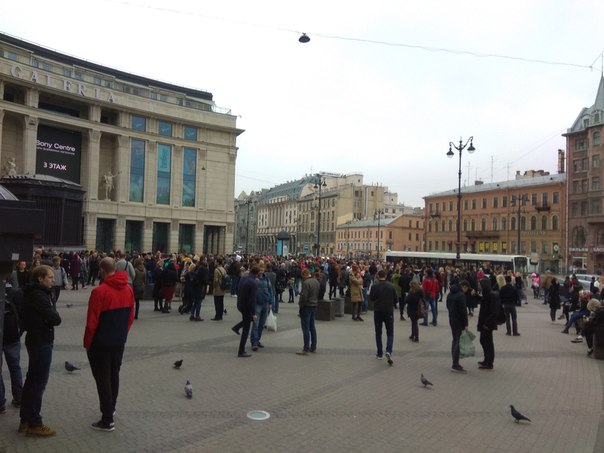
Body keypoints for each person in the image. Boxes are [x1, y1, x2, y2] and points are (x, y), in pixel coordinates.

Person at [84, 257, 135, 432]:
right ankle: (111, 409)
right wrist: (122, 334)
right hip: (118, 341)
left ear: (102, 271)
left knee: (103, 379)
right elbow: (130, 317)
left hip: (101, 343)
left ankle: (107, 420)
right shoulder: (128, 289)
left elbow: (92, 322)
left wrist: (87, 343)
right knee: (114, 374)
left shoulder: (99, 292)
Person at [19, 265, 61, 437]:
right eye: (50, 277)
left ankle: (25, 419)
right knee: (38, 383)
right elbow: (56, 318)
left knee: (32, 380)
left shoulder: (38, 293)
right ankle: (35, 423)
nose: (53, 280)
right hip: (41, 340)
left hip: (37, 339)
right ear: (40, 278)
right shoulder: (39, 295)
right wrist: (50, 317)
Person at [1, 283, 24, 414]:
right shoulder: (16, 292)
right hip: (12, 336)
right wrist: (19, 331)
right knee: (15, 367)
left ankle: (0, 403)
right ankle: (19, 397)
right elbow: (22, 315)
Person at [370, 270, 397, 363]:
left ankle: (379, 353)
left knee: (378, 332)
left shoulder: (374, 286)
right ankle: (389, 350)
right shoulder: (391, 286)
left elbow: (371, 298)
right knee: (390, 332)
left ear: (378, 276)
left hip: (378, 311)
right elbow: (396, 299)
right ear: (385, 276)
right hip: (388, 311)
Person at [232, 266, 259, 357]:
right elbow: (252, 299)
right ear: (257, 274)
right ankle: (241, 351)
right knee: (246, 330)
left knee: (248, 320)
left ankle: (236, 327)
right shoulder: (253, 283)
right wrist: (254, 313)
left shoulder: (244, 278)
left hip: (240, 304)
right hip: (247, 306)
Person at [446, 279, 469, 373]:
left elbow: (448, 306)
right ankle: (455, 364)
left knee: (454, 340)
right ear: (464, 286)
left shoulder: (449, 294)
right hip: (459, 321)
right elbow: (463, 311)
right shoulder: (461, 296)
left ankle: (454, 360)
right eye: (466, 288)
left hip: (452, 319)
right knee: (458, 342)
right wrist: (466, 324)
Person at [477, 279, 500, 370]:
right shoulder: (487, 295)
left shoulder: (492, 296)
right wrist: (475, 295)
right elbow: (482, 301)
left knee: (488, 342)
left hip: (487, 324)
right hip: (484, 323)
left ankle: (489, 362)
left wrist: (487, 323)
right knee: (483, 341)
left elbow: (494, 312)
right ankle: (486, 359)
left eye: (481, 285)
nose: (479, 287)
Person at [296, 268, 320, 355]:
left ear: (304, 275)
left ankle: (306, 348)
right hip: (314, 305)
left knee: (305, 328)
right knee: (312, 327)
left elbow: (304, 296)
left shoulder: (306, 283)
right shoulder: (316, 281)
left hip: (306, 306)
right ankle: (313, 346)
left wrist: (301, 305)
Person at [250, 261, 273, 351]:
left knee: (262, 324)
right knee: (255, 323)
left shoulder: (266, 279)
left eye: (263, 269)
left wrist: (271, 302)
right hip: (257, 303)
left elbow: (270, 290)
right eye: (260, 269)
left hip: (265, 303)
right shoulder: (255, 279)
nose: (261, 271)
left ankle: (258, 339)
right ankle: (254, 342)